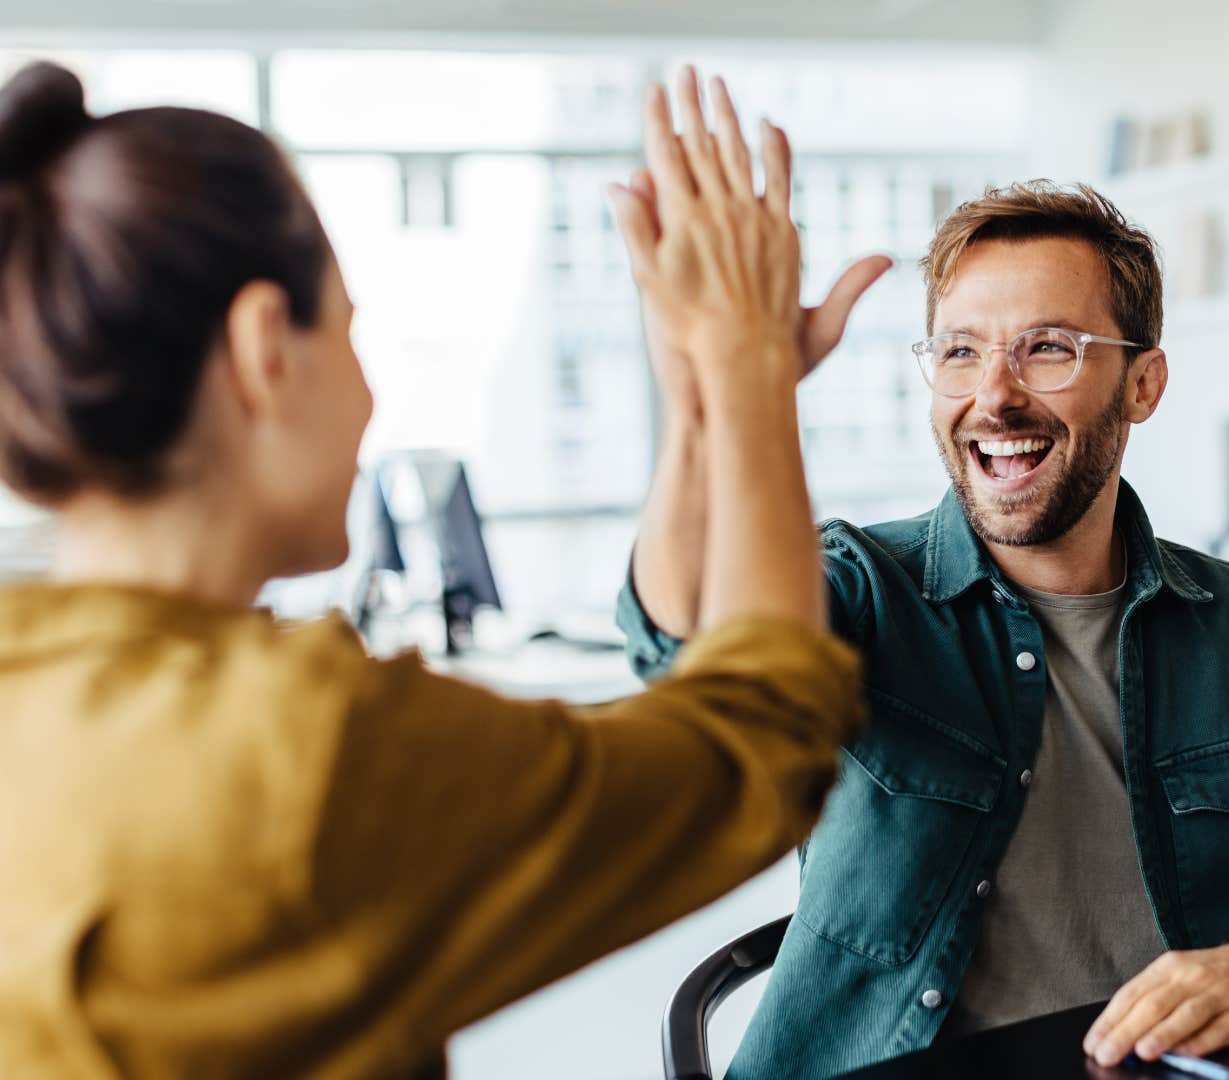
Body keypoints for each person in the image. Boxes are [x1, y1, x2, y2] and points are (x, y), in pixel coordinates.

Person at [0, 62, 872, 1077]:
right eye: (353, 331)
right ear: (264, 347)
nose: (371, 399)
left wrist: (701, 403)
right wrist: (750, 362)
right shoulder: (301, 749)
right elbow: (759, 743)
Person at [620, 180, 1229, 1077]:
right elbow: (687, 641)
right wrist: (713, 402)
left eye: (1048, 348)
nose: (995, 396)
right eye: (961, 352)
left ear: (1143, 384)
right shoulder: (861, 589)